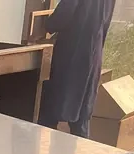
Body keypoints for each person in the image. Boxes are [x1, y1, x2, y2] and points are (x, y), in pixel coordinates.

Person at [38, 0, 116, 138]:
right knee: (81, 117)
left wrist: (47, 25)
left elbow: (63, 15)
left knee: (50, 110)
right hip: (93, 52)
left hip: (72, 54)